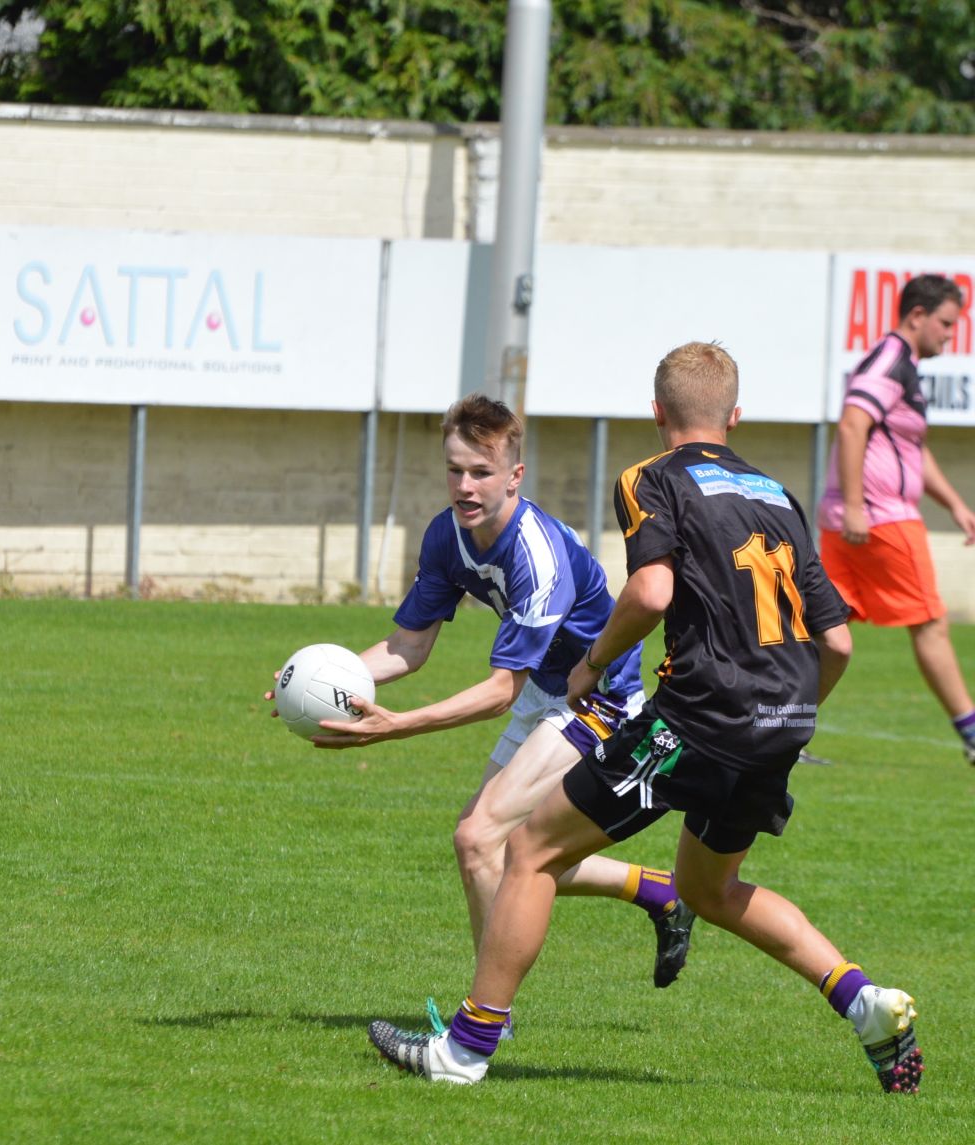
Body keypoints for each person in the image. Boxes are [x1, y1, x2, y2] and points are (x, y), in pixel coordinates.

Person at [368, 343, 922, 1095]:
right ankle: (864, 1001)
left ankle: (463, 1050)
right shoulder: (776, 494)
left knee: (525, 849)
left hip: (697, 715)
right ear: (735, 417)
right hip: (782, 721)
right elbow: (838, 642)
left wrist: (593, 662)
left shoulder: (652, 477)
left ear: (656, 412)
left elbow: (653, 591)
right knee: (710, 888)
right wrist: (786, 716)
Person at [300, 392, 695, 1011]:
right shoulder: (445, 535)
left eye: (481, 472)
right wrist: (319, 678)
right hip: (546, 689)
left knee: (480, 840)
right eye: (455, 469)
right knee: (499, 846)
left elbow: (497, 692)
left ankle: (486, 1018)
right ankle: (657, 891)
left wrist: (397, 725)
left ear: (514, 476)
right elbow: (408, 645)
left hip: (598, 698)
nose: (464, 485)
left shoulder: (534, 552)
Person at [818, 274, 975, 766]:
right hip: (880, 521)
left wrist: (954, 504)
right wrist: (860, 506)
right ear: (917, 316)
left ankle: (780, 730)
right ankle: (971, 733)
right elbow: (851, 424)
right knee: (930, 624)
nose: (950, 337)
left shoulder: (902, 365)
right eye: (946, 325)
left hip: (855, 519)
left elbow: (912, 449)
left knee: (824, 631)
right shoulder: (889, 359)